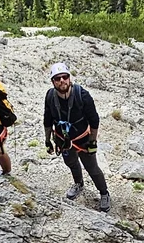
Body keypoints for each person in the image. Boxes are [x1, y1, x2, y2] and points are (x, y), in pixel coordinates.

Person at [42, 62, 109, 211]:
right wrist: (48, 140)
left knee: (92, 167)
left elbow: (94, 120)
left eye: (64, 77)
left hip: (83, 140)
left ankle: (104, 193)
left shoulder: (82, 95)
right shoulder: (50, 97)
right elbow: (47, 120)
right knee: (71, 162)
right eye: (57, 78)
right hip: (63, 139)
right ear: (53, 81)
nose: (62, 81)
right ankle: (79, 183)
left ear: (69, 78)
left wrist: (92, 142)